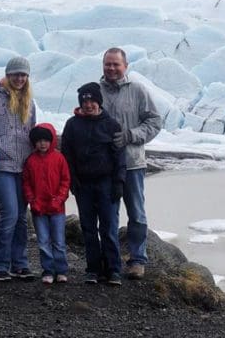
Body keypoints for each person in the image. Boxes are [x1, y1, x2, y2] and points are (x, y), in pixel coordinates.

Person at [100, 47, 162, 280]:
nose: (112, 68)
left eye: (116, 64)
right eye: (108, 64)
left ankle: (137, 259)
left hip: (132, 163)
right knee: (109, 214)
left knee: (136, 213)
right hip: (104, 166)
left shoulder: (137, 91)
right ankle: (113, 261)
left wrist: (131, 135)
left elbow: (155, 121)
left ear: (125, 66)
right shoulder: (95, 92)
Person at [62, 82, 126, 286]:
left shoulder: (111, 124)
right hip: (84, 185)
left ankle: (113, 269)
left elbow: (119, 157)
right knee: (88, 228)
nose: (88, 104)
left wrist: (119, 183)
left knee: (108, 227)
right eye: (85, 101)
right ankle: (93, 269)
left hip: (106, 183)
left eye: (92, 100)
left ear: (99, 101)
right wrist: (73, 180)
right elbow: (67, 155)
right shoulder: (72, 125)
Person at [0, 56, 37, 281]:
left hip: (23, 165)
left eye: (23, 74)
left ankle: (20, 263)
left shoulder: (29, 102)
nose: (20, 78)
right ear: (7, 75)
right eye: (15, 74)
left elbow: (32, 131)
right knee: (10, 213)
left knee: (22, 216)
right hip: (1, 164)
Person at [22, 123, 71, 284]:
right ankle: (48, 270)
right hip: (38, 209)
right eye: (38, 140)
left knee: (58, 241)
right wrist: (32, 200)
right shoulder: (30, 160)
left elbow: (65, 181)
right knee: (43, 241)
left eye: (45, 140)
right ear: (34, 143)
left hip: (57, 209)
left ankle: (61, 270)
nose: (42, 143)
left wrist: (59, 199)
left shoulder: (59, 158)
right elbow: (26, 183)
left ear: (52, 141)